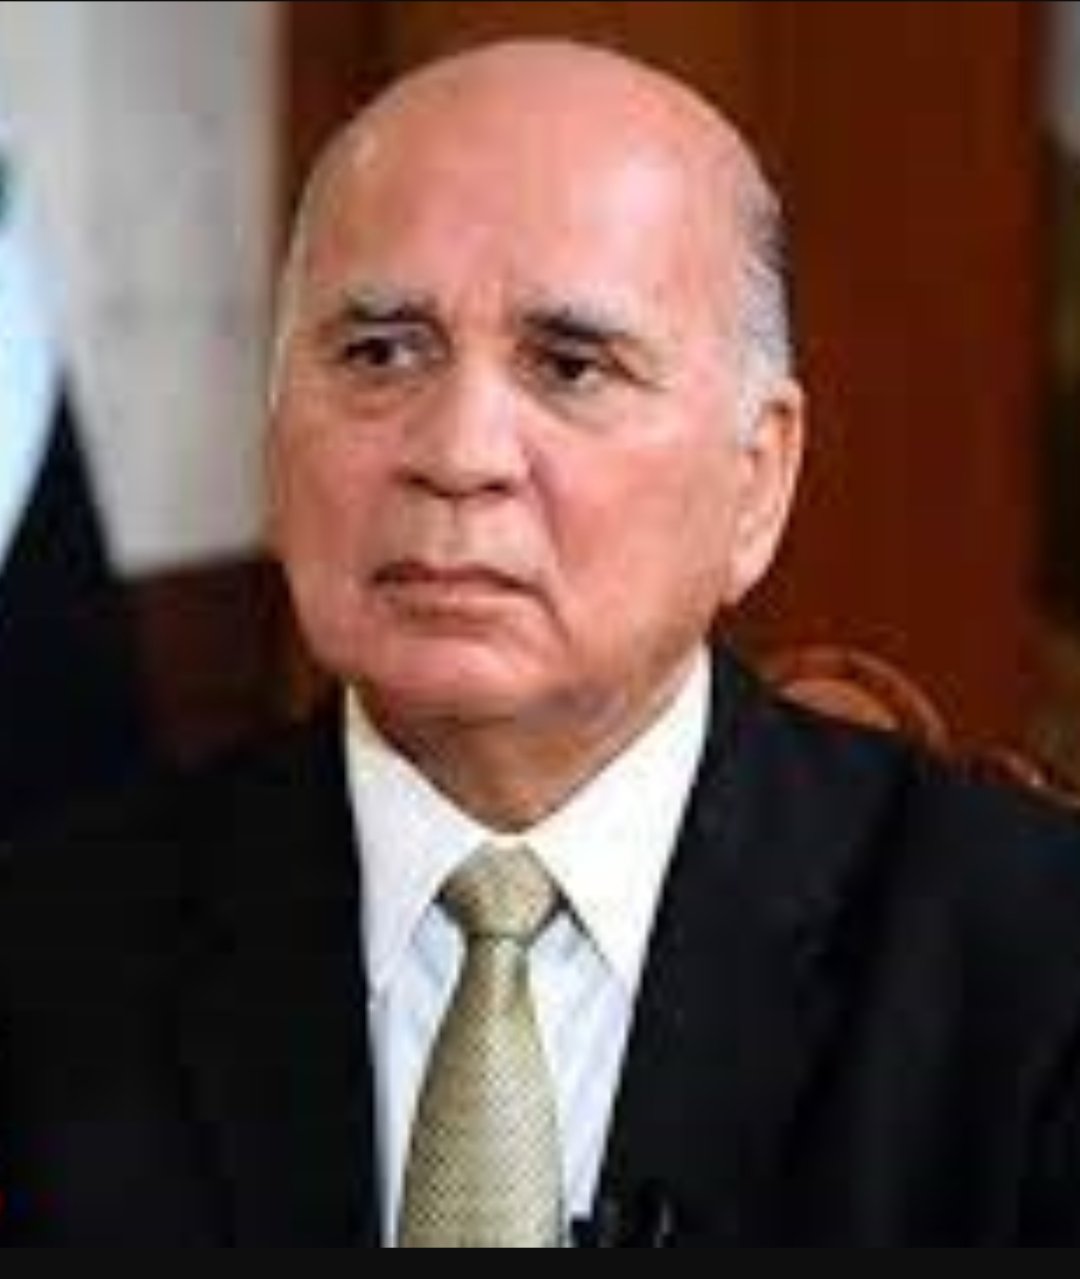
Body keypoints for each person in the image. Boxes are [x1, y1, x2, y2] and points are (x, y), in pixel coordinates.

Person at [1, 36, 1080, 1248]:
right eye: (380, 352)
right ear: (275, 427)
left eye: (571, 366)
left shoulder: (1033, 967)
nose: (458, 452)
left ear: (758, 478)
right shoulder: (49, 954)